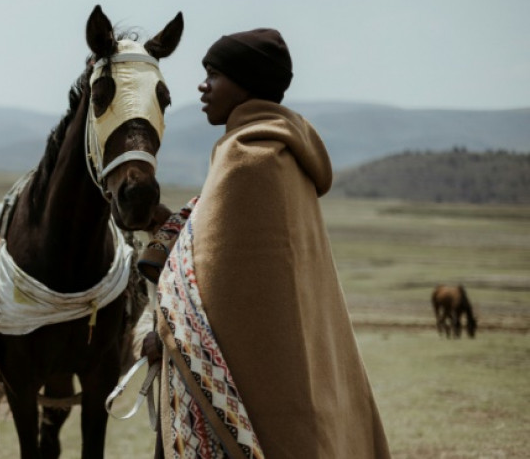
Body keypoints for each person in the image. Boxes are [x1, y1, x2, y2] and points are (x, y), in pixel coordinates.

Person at [139, 28, 391, 458]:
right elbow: (222, 252)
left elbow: (212, 289)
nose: (202, 86)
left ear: (246, 83)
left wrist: (162, 332)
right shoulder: (284, 151)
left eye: (214, 74)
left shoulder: (246, 157)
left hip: (252, 389)